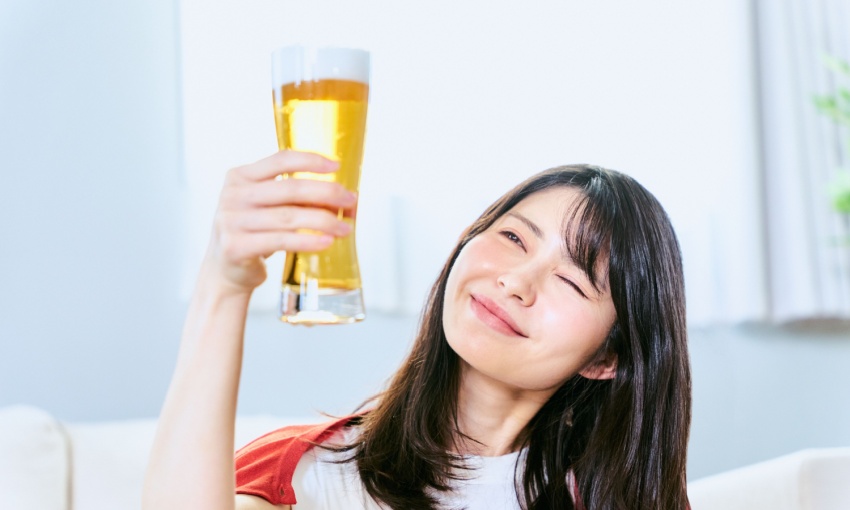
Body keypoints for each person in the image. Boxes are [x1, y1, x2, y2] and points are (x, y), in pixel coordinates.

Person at [142, 150, 692, 510]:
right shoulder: (304, 474)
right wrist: (224, 286)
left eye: (573, 282)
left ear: (607, 359)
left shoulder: (626, 499)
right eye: (514, 239)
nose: (516, 282)